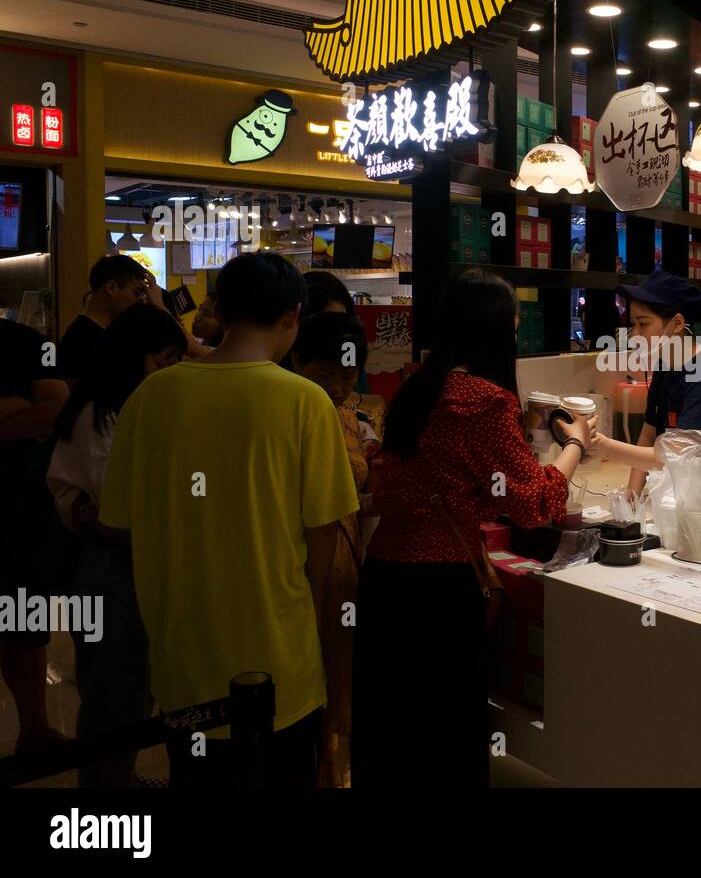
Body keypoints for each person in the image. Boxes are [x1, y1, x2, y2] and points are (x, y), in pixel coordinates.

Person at [99, 252, 359, 788]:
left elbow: (122, 521)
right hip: (278, 660)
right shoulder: (307, 403)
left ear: (219, 308)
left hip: (181, 660)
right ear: (293, 315)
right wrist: (300, 619)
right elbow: (323, 538)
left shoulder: (150, 396)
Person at [353, 268, 593, 789]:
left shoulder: (419, 388)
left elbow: (429, 479)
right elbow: (533, 504)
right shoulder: (483, 401)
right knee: (444, 734)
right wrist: (574, 443)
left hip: (385, 579)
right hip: (439, 590)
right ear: (497, 330)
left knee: (392, 727)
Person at [45, 304, 186, 787]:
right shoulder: (101, 414)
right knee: (113, 693)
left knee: (135, 688)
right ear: (133, 357)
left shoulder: (126, 405)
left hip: (129, 563)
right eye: (161, 360)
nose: (168, 372)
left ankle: (116, 778)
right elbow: (116, 501)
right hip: (113, 567)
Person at [592, 270, 701, 514]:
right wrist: (632, 498)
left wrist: (605, 446)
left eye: (643, 324)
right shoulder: (666, 368)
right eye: (633, 324)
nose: (635, 335)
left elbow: (676, 456)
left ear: (678, 324)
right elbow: (649, 433)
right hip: (685, 506)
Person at [288, 311, 373, 788]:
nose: (337, 387)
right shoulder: (295, 409)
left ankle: (332, 770)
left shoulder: (340, 410)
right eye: (324, 376)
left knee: (337, 673)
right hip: (307, 557)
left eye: (346, 376)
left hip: (342, 556)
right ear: (296, 359)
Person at [0, 317, 69, 753]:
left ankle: (36, 731)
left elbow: (56, 405)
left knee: (24, 624)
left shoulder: (27, 341)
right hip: (18, 504)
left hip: (16, 507)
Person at [59, 255, 151, 381]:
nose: (142, 300)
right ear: (111, 288)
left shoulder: (109, 334)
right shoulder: (81, 339)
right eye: (138, 292)